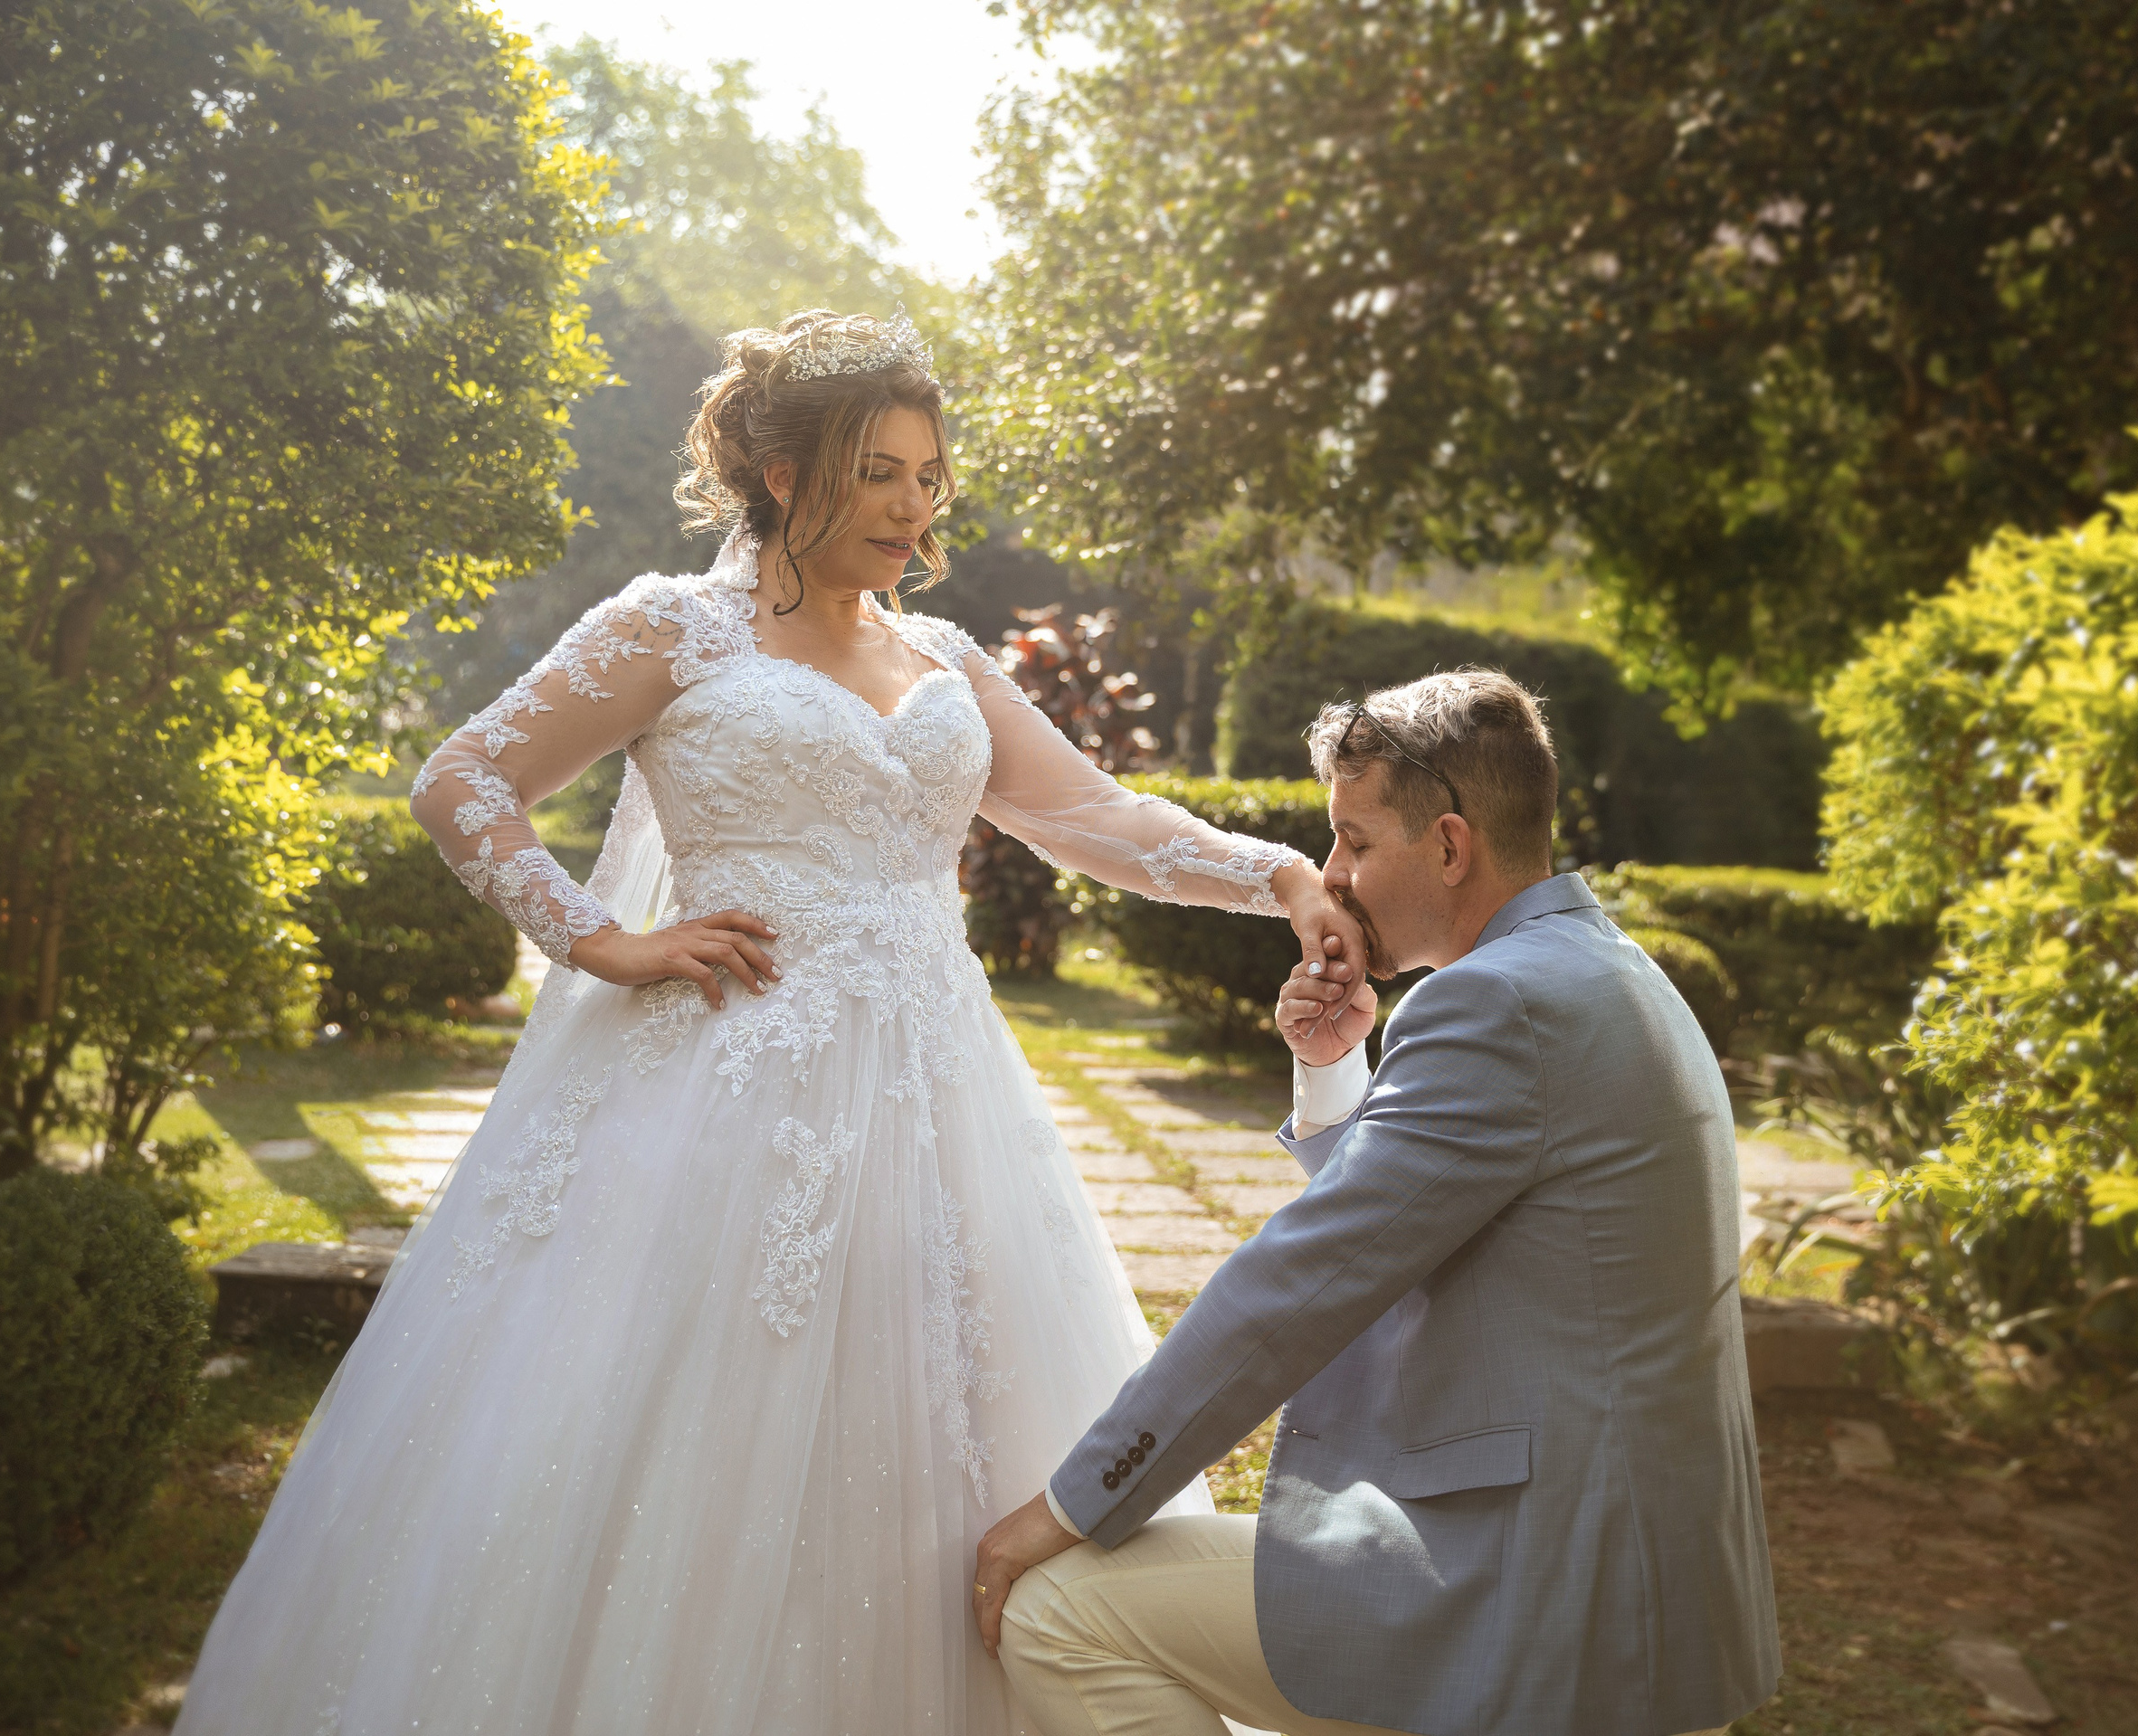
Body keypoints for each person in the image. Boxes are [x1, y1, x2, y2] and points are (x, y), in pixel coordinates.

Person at [175, 308, 1364, 1736]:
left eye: (929, 475)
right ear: (785, 471)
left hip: (941, 1101)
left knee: (952, 1425)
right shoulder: (670, 629)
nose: (914, 508)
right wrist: (601, 938)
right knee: (688, 1447)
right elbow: (463, 777)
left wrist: (1284, 874)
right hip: (721, 1102)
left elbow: (1091, 815)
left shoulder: (944, 652)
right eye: (880, 472)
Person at [973, 670, 1782, 1736]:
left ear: (1448, 847)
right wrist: (1329, 1068)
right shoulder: (1602, 966)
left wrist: (1073, 1502)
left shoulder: (1493, 1000)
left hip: (1532, 1594)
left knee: (1061, 1611)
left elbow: (1301, 1282)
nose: (1333, 877)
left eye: (1352, 841)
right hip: (1648, 1592)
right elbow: (1418, 1216)